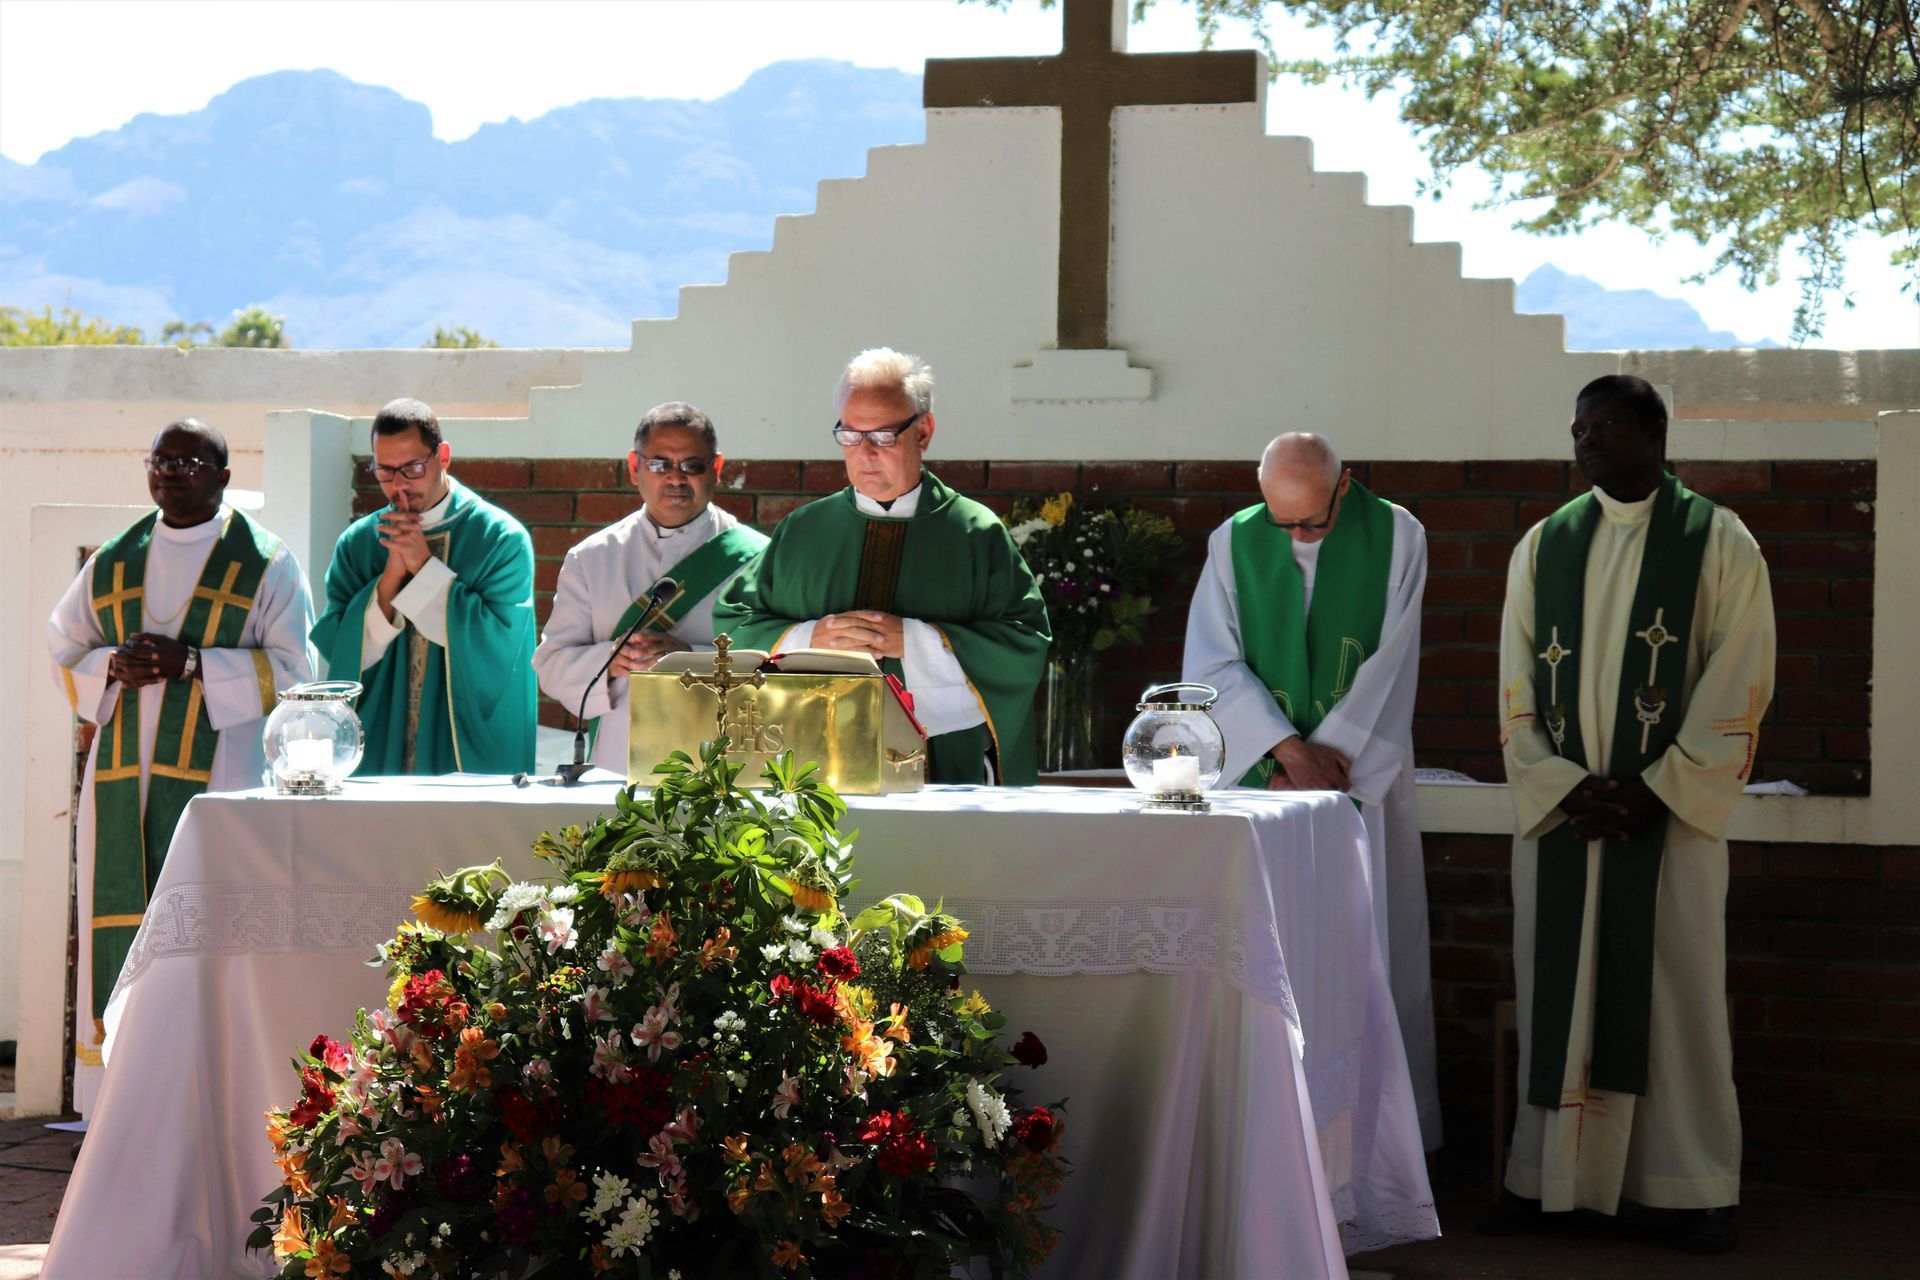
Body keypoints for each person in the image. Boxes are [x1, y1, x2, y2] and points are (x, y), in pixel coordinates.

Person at [1484, 375, 1775, 1253]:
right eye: (1578, 429)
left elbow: (1742, 677)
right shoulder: (1545, 545)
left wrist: (1661, 787)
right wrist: (1560, 783)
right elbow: (1515, 685)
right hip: (1569, 820)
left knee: (1675, 998)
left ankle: (1687, 1189)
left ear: (1655, 431)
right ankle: (1550, 1181)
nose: (1587, 442)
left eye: (1606, 427)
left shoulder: (1719, 542)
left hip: (1669, 825)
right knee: (1558, 995)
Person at [46, 418, 315, 1115]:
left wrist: (191, 663)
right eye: (160, 461)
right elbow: (62, 646)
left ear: (224, 477)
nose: (169, 472)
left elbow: (298, 672)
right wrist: (112, 664)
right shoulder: (115, 558)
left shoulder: (266, 560)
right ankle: (118, 1098)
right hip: (121, 778)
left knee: (210, 917)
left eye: (189, 461)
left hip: (223, 773)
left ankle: (208, 1096)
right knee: (124, 911)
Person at [1183, 431, 1441, 1149]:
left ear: (1345, 483)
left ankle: (1375, 1148)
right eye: (1282, 521)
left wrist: (1332, 762)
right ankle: (1272, 1141)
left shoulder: (1396, 535)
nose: (1296, 535)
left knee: (1365, 959)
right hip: (1267, 789)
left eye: (1312, 521)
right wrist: (1283, 752)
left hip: (1357, 785)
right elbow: (1211, 663)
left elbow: (1394, 666)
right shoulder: (1234, 542)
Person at [714, 347, 1050, 783]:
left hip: (941, 767)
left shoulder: (974, 533)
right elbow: (734, 623)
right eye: (851, 435)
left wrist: (913, 641)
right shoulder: (804, 530)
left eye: (883, 435)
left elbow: (1024, 642)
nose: (866, 452)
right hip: (812, 767)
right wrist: (808, 638)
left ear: (924, 433)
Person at [532, 402, 768, 772]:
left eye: (692, 465)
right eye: (659, 464)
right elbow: (551, 665)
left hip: (722, 754)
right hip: (620, 757)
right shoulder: (592, 558)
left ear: (717, 468)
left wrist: (688, 656)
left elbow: (779, 663)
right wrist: (613, 659)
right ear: (634, 467)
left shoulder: (759, 558)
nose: (675, 478)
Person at [310, 398, 537, 775]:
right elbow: (343, 659)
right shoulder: (359, 543)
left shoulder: (499, 539)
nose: (399, 484)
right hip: (381, 748)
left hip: (464, 759)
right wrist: (388, 583)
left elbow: (501, 649)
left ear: (443, 456)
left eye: (412, 468)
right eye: (384, 471)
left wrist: (421, 565)